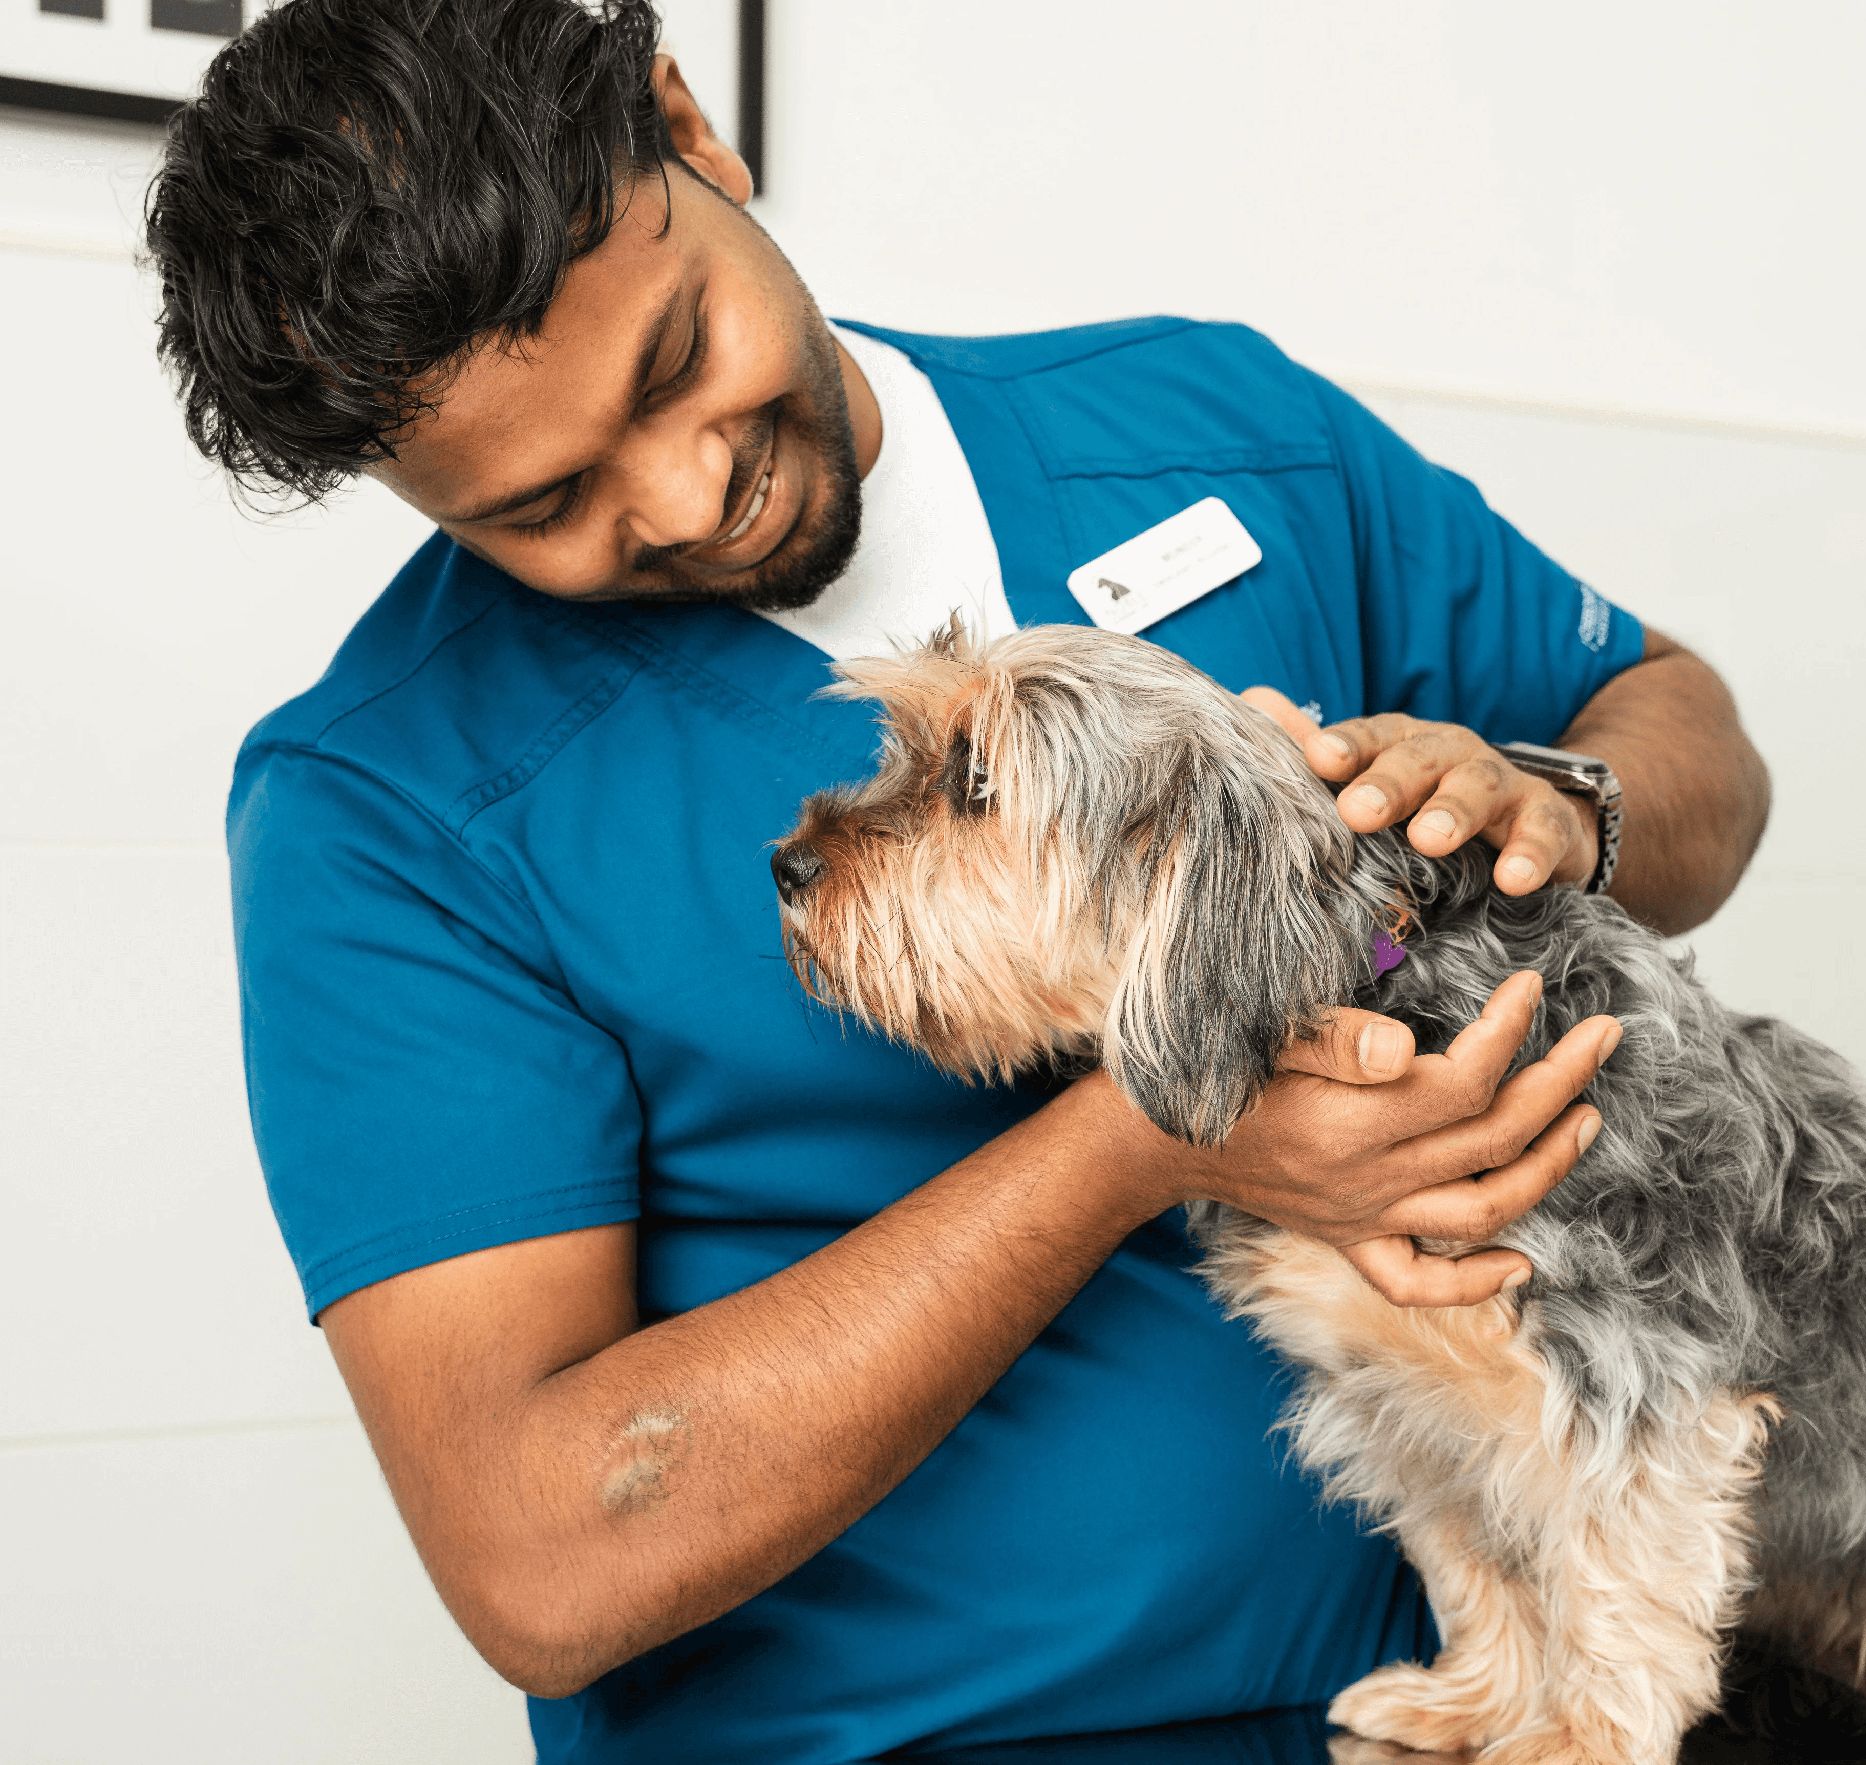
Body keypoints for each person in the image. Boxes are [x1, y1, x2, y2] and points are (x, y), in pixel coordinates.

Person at [145, 2, 1771, 1760]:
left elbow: (1690, 745)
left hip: (1474, 1700)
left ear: (692, 133)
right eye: (544, 506)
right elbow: (541, 1559)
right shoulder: (383, 810)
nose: (688, 497)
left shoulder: (1218, 424)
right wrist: (1153, 1128)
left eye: (678, 356)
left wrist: (1562, 801)